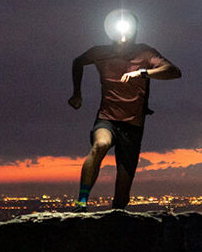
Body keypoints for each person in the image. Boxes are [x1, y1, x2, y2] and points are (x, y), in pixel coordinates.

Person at [67, 11, 181, 211]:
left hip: (133, 125)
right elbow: (78, 62)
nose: (122, 38)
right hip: (107, 118)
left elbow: (173, 71)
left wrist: (143, 72)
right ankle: (81, 202)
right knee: (100, 145)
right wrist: (77, 93)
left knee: (122, 196)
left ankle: (117, 218)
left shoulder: (145, 53)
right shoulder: (100, 52)